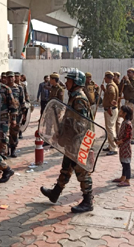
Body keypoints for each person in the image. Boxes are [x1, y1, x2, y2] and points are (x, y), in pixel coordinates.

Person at [40, 70, 94, 213]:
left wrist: (65, 133)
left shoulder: (79, 99)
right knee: (66, 167)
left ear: (76, 83)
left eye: (69, 81)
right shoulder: (73, 96)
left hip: (79, 141)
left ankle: (88, 201)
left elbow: (81, 124)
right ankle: (55, 193)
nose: (66, 83)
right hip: (73, 140)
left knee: (81, 171)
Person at [6, 71, 26, 158]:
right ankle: (5, 150)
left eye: (12, 77)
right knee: (4, 133)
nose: (10, 78)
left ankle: (13, 150)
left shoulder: (19, 88)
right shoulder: (4, 88)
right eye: (9, 77)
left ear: (14, 78)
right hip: (5, 114)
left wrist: (24, 114)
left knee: (14, 132)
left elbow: (22, 101)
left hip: (17, 114)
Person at [119, 68, 134, 144]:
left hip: (133, 102)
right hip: (127, 101)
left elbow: (132, 88)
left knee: (133, 119)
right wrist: (122, 82)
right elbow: (120, 89)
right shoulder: (126, 81)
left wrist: (127, 81)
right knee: (126, 119)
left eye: (130, 73)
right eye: (127, 72)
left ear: (133, 73)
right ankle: (127, 135)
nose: (128, 74)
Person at [113, 105, 133, 187]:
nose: (119, 112)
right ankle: (123, 177)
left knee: (126, 163)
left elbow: (128, 136)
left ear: (125, 113)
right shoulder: (124, 122)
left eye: (121, 111)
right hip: (122, 146)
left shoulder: (127, 123)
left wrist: (120, 141)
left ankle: (127, 181)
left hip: (126, 146)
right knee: (123, 162)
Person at [101, 71, 119, 156]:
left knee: (110, 129)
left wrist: (109, 106)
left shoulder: (110, 86)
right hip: (112, 109)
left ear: (107, 78)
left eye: (105, 77)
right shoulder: (113, 84)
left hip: (110, 109)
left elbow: (111, 94)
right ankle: (110, 145)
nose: (104, 79)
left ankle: (113, 147)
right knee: (110, 128)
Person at [15, 72, 29, 139]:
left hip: (21, 105)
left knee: (20, 120)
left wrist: (27, 101)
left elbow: (26, 94)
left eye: (17, 76)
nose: (16, 78)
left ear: (20, 77)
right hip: (14, 105)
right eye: (15, 76)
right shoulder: (11, 85)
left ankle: (20, 132)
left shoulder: (23, 86)